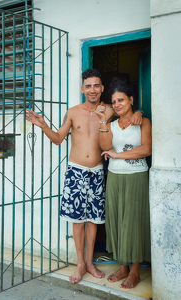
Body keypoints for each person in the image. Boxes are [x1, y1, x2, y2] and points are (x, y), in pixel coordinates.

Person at [26, 69, 143, 284]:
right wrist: (43, 126)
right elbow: (58, 139)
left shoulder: (109, 110)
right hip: (75, 171)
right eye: (88, 86)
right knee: (77, 221)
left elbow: (127, 112)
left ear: (102, 88)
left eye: (96, 85)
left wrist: (139, 113)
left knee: (93, 220)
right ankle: (80, 264)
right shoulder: (73, 112)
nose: (92, 90)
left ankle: (90, 262)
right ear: (82, 89)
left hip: (97, 171)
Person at [95, 77, 152, 289]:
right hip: (115, 178)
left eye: (122, 99)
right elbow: (106, 145)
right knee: (117, 221)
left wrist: (118, 155)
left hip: (136, 176)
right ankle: (123, 267)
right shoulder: (111, 124)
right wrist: (102, 120)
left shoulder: (143, 122)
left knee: (133, 222)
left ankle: (135, 271)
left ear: (131, 99)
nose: (118, 104)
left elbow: (146, 150)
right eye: (114, 101)